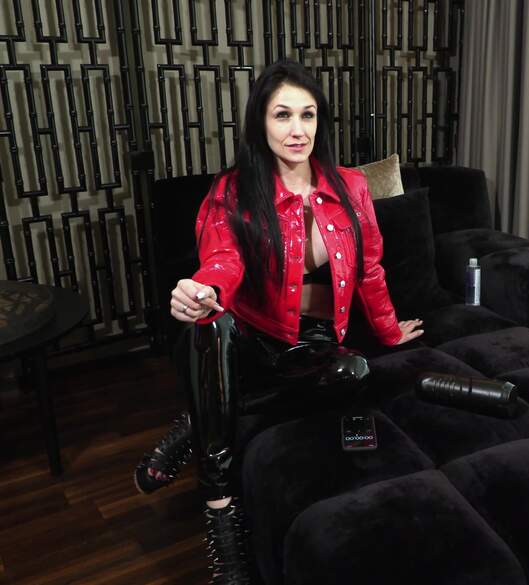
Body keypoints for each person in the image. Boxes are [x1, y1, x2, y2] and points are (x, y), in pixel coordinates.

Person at [133, 59, 423, 584]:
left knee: (354, 373)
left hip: (311, 344)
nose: (297, 129)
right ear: (260, 123)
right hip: (248, 335)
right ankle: (221, 515)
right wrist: (204, 290)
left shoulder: (352, 187)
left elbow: (370, 270)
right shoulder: (234, 190)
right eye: (282, 115)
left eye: (307, 115)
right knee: (211, 325)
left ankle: (199, 421)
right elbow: (223, 259)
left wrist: (388, 329)